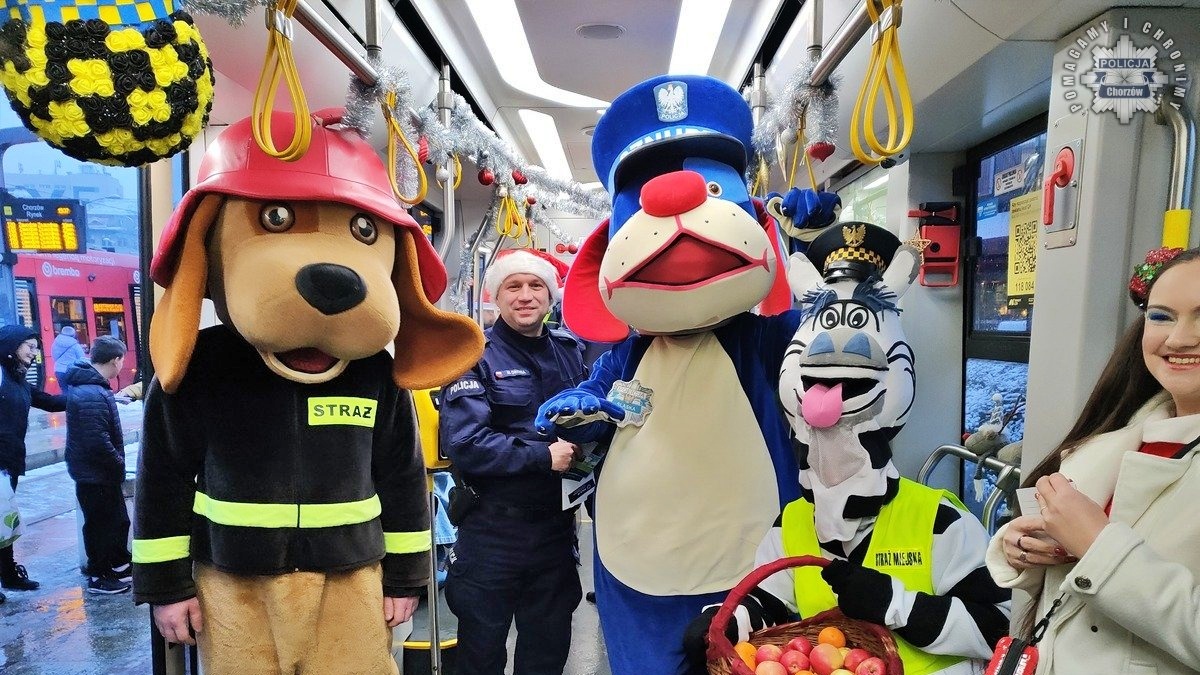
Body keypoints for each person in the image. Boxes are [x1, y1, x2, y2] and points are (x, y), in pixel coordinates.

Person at [986, 247, 1200, 674]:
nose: (1178, 338)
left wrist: (1098, 546)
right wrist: (1025, 549)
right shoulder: (1122, 436)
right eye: (1161, 317)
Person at [440, 248, 586, 674]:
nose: (526, 295)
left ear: (551, 295)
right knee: (481, 655)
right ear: (496, 297)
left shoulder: (570, 351)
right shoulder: (474, 355)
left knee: (547, 649)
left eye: (536, 285)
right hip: (492, 534)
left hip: (556, 533)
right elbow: (466, 442)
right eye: (513, 286)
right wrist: (543, 457)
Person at [0, 325, 66, 601]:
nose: (34, 353)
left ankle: (9, 574)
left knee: (6, 522)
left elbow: (49, 402)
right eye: (29, 346)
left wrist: (93, 394)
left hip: (9, 462)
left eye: (36, 348)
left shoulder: (17, 381)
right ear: (12, 347)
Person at [63, 336, 132, 594]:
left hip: (100, 472)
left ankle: (117, 562)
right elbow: (97, 440)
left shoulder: (94, 388)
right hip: (95, 473)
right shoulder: (91, 391)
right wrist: (118, 464)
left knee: (116, 520)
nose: (122, 366)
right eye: (121, 360)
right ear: (115, 360)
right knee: (99, 524)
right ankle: (98, 575)